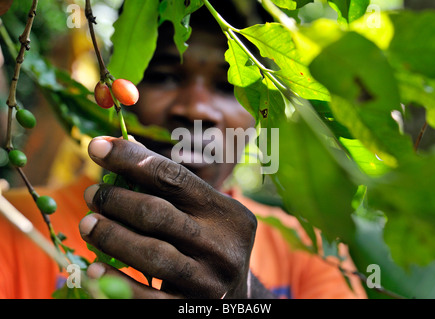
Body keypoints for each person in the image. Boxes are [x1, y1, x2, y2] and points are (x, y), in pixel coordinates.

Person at [0, 2, 367, 299]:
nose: (195, 109)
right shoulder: (13, 227)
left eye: (228, 87)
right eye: (164, 76)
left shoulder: (311, 251)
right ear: (113, 98)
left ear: (258, 115)